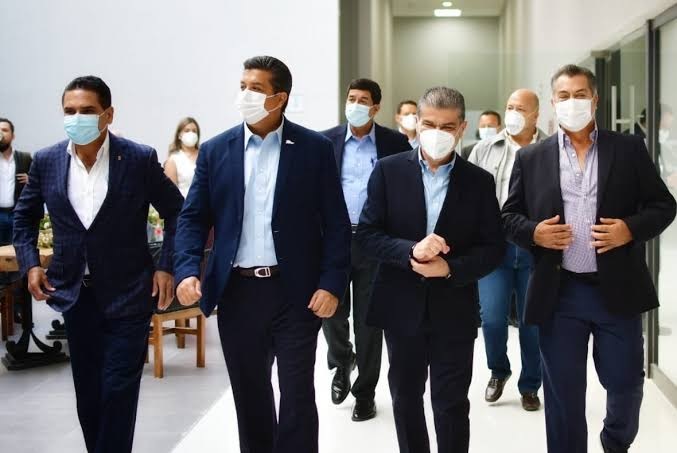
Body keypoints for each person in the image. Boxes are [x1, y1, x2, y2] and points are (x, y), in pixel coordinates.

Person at [174, 55, 351, 453]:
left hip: (296, 293)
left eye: (255, 89)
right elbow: (192, 218)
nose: (245, 95)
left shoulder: (314, 149)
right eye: (243, 87)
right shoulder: (216, 150)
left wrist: (332, 283)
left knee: (297, 395)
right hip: (237, 292)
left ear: (280, 98)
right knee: (250, 394)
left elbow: (336, 223)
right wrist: (186, 269)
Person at [502, 64, 676, 453]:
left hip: (616, 290)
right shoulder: (531, 157)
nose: (572, 102)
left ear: (595, 100)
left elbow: (664, 206)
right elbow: (509, 217)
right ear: (552, 102)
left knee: (626, 384)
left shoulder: (628, 149)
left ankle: (614, 442)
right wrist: (534, 232)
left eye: (580, 95)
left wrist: (629, 228)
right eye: (564, 96)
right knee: (563, 395)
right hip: (560, 292)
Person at [12, 76, 184, 453]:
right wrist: (31, 264)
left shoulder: (138, 158)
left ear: (108, 114)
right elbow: (23, 217)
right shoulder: (47, 161)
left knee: (119, 390)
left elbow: (177, 212)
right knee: (88, 394)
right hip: (75, 295)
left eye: (87, 110)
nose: (77, 118)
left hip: (129, 293)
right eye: (70, 111)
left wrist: (166, 266)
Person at [356, 86, 504, 453]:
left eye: (447, 126)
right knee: (406, 398)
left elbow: (493, 249)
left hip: (454, 308)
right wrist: (410, 250)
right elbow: (368, 235)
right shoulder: (388, 171)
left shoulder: (479, 182)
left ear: (462, 128)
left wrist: (449, 268)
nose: (437, 133)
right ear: (417, 124)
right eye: (429, 124)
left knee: (451, 403)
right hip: (400, 304)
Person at [321, 78, 411, 422]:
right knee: (330, 311)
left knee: (369, 323)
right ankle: (342, 360)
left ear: (375, 108)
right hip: (334, 240)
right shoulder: (325, 142)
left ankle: (365, 394)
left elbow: (403, 191)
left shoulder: (394, 143)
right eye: (351, 98)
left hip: (374, 241)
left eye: (363, 100)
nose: (355, 105)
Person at [468, 89, 546, 411]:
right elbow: (466, 195)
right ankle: (498, 371)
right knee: (492, 319)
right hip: (494, 249)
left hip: (535, 248)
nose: (513, 113)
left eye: (521, 109)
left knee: (532, 323)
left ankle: (530, 385)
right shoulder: (484, 149)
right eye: (510, 107)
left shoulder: (551, 149)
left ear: (536, 115)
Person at [0, 118, 31, 245]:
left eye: (4, 130)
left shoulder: (25, 158)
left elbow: (39, 184)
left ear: (13, 136)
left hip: (17, 215)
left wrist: (30, 180)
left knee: (17, 249)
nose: (1, 133)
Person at [164, 117, 200, 198]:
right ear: (179, 135)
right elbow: (171, 194)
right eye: (187, 130)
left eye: (194, 131)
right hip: (185, 204)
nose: (191, 133)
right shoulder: (173, 160)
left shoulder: (204, 155)